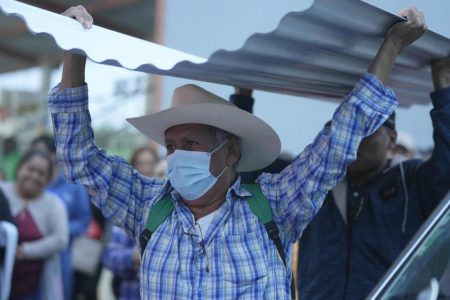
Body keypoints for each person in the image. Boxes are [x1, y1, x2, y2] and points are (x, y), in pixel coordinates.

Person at [48, 5, 425, 299]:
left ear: (229, 153)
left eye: (192, 144)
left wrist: (391, 46)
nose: (177, 156)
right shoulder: (145, 205)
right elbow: (79, 157)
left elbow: (339, 139)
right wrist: (74, 51)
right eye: (172, 146)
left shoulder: (275, 205)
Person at [296, 56, 450, 299]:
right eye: (346, 130)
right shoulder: (314, 184)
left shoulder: (411, 181)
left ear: (391, 140)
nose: (354, 139)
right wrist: (243, 95)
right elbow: (247, 170)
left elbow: (447, 164)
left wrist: (444, 88)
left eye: (367, 130)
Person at [0, 150, 68, 300]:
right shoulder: (2, 192)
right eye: (30, 169)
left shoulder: (54, 204)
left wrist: (25, 251)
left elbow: (60, 239)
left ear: (48, 179)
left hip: (34, 288)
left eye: (41, 173)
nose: (34, 176)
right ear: (19, 169)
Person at [31, 135, 91, 300]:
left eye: (42, 153)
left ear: (53, 155)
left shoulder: (73, 186)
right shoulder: (30, 183)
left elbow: (84, 222)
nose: (37, 158)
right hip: (30, 256)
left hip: (62, 256)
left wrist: (59, 231)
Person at [103, 146, 159, 300]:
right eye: (141, 164)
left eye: (150, 163)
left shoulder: (170, 208)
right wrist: (133, 256)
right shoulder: (125, 209)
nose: (146, 169)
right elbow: (109, 258)